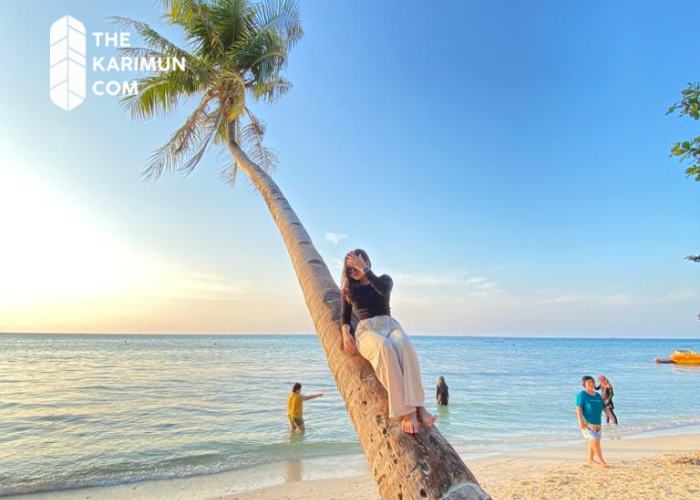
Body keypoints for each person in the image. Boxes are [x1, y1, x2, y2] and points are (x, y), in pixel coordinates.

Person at [340, 249, 436, 434]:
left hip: (389, 325)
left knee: (404, 345)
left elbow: (383, 290)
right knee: (384, 348)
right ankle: (407, 411)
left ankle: (419, 406)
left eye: (357, 266)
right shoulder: (349, 289)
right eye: (350, 269)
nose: (355, 272)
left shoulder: (384, 280)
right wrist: (345, 333)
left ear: (367, 262)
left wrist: (365, 270)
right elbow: (344, 317)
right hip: (367, 331)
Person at [576, 375, 609, 468]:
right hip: (587, 422)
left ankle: (590, 460)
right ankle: (602, 461)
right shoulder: (582, 394)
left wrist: (611, 416)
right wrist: (580, 421)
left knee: (594, 441)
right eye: (589, 382)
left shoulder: (597, 395)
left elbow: (604, 407)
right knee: (594, 441)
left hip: (597, 423)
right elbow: (578, 408)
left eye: (592, 382)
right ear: (584, 384)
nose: (591, 384)